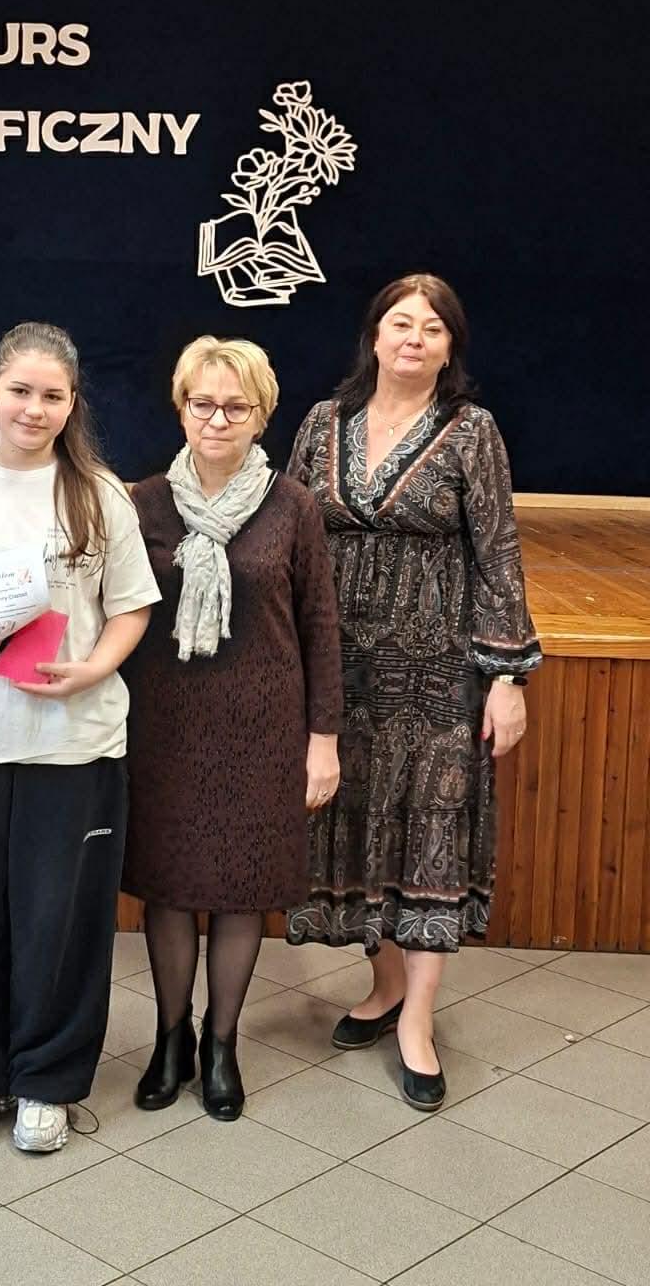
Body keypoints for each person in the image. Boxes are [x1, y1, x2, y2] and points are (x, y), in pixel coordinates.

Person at [287, 273, 541, 1109]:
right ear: (375, 334)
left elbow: (499, 554)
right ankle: (386, 982)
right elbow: (288, 536)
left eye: (433, 328)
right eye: (402, 323)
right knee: (360, 829)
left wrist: (506, 677)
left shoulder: (472, 431)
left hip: (437, 681)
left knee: (430, 837)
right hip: (340, 671)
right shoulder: (323, 422)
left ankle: (418, 1024)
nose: (414, 338)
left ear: (449, 347)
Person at [0, 321, 160, 1154]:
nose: (34, 408)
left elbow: (131, 608)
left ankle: (48, 1080)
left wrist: (94, 670)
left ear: (72, 403)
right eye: (20, 390)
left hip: (73, 744)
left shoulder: (100, 494)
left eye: (52, 395)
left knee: (62, 921)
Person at [122, 336, 342, 1120]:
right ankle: (170, 1038)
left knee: (242, 889)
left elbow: (320, 628)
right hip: (166, 729)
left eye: (235, 406)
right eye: (202, 403)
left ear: (262, 415)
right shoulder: (144, 501)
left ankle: (221, 1044)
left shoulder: (293, 507)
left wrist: (323, 740)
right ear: (180, 408)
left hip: (263, 731)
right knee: (169, 887)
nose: (217, 419)